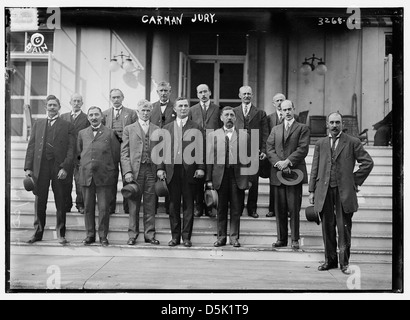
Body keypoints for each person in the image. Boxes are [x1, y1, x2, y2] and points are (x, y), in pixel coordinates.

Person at [308, 111, 374, 274]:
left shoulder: (352, 142)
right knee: (327, 228)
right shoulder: (320, 143)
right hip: (324, 192)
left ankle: (344, 263)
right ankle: (330, 261)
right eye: (332, 122)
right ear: (327, 125)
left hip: (344, 193)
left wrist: (354, 180)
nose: (335, 125)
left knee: (343, 228)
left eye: (338, 122)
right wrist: (311, 190)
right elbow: (315, 168)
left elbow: (367, 163)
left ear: (342, 125)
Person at [24, 95, 75, 245]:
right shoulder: (38, 124)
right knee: (40, 200)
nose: (52, 107)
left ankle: (61, 233)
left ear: (59, 107)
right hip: (41, 167)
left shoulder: (67, 125)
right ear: (46, 107)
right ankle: (38, 233)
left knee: (61, 200)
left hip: (58, 167)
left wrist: (65, 167)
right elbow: (31, 146)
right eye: (49, 105)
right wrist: (28, 168)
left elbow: (71, 150)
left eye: (55, 105)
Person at [157, 97, 205, 247]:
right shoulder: (167, 128)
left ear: (188, 108)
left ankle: (186, 238)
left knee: (189, 205)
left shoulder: (196, 127)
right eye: (180, 106)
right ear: (175, 109)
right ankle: (175, 237)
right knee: (173, 205)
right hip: (172, 171)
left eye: (186, 106)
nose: (183, 108)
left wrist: (200, 168)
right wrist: (160, 168)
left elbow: (201, 150)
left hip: (189, 171)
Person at [266, 100, 310, 250]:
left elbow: (303, 148)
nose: (287, 112)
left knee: (294, 208)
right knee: (280, 209)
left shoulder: (302, 128)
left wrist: (288, 162)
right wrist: (278, 163)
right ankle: (281, 239)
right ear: (281, 111)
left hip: (294, 173)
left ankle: (295, 239)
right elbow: (269, 148)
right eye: (284, 110)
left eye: (290, 109)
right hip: (278, 173)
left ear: (294, 109)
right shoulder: (275, 129)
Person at [206, 106, 249, 248]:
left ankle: (234, 237)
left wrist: (249, 179)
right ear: (221, 118)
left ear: (235, 118)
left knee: (236, 208)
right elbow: (209, 159)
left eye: (232, 115)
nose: (229, 117)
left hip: (237, 176)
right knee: (221, 208)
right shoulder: (213, 135)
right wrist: (209, 180)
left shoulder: (244, 135)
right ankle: (221, 237)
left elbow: (250, 159)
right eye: (226, 115)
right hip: (220, 176)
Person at [78, 106, 121, 246]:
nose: (94, 117)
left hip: (104, 177)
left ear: (102, 116)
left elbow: (115, 155)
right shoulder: (82, 133)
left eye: (96, 114)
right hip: (87, 176)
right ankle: (90, 235)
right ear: (88, 117)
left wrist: (110, 173)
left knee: (103, 208)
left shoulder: (110, 133)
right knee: (88, 208)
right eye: (91, 115)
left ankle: (103, 236)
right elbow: (78, 155)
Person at [121, 99, 161, 245]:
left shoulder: (157, 128)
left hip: (151, 170)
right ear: (137, 112)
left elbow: (160, 152)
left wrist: (160, 170)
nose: (145, 113)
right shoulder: (129, 129)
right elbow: (124, 153)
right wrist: (127, 172)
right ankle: (132, 235)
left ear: (151, 112)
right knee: (134, 204)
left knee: (150, 204)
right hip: (135, 171)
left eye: (148, 110)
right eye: (142, 110)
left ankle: (149, 234)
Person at [233, 86, 269, 218]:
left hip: (255, 149)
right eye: (244, 94)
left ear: (252, 95)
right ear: (239, 95)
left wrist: (264, 150)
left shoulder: (260, 113)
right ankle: (239, 207)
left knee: (253, 180)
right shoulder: (233, 111)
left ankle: (252, 208)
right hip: (238, 150)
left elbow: (265, 133)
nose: (246, 96)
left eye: (249, 94)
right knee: (239, 178)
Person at [189, 83, 222, 217]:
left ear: (210, 93)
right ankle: (198, 206)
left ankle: (210, 206)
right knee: (198, 179)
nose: (203, 94)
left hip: (213, 148)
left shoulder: (217, 109)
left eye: (205, 92)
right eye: (200, 92)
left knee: (211, 177)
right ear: (197, 94)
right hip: (196, 147)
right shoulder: (192, 110)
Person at [103, 88, 137, 214]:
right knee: (110, 179)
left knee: (128, 177)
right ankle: (110, 207)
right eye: (113, 97)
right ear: (110, 99)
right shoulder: (105, 114)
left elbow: (135, 131)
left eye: (118, 97)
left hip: (126, 149)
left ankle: (128, 208)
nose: (116, 100)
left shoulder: (131, 113)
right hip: (110, 151)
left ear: (123, 98)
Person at [60, 93, 90, 214]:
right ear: (70, 102)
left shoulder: (86, 118)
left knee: (80, 182)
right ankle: (66, 204)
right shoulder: (63, 117)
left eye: (79, 101)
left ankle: (80, 204)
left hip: (80, 154)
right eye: (74, 101)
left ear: (82, 103)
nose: (76, 103)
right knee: (66, 182)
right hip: (66, 155)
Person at [150, 81, 175, 215]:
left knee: (170, 176)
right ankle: (153, 208)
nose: (164, 93)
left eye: (166, 91)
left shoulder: (175, 107)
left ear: (170, 92)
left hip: (170, 146)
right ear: (157, 92)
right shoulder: (152, 107)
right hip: (155, 146)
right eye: (161, 91)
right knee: (154, 175)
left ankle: (168, 208)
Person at [266, 93, 286, 218]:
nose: (279, 103)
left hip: (287, 156)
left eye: (281, 100)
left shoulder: (294, 117)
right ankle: (272, 209)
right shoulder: (269, 118)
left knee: (287, 183)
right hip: (273, 155)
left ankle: (287, 209)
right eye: (277, 101)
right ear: (273, 104)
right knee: (273, 183)